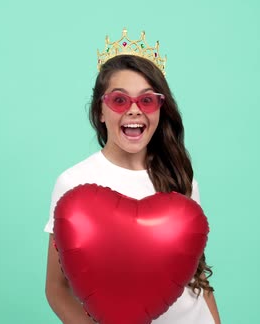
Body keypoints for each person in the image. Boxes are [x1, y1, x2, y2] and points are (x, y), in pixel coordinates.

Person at [43, 31, 220, 324]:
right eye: (120, 100)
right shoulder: (73, 184)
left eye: (147, 100)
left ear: (160, 110)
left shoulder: (179, 176)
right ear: (100, 110)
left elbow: (197, 276)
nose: (134, 110)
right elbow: (56, 289)